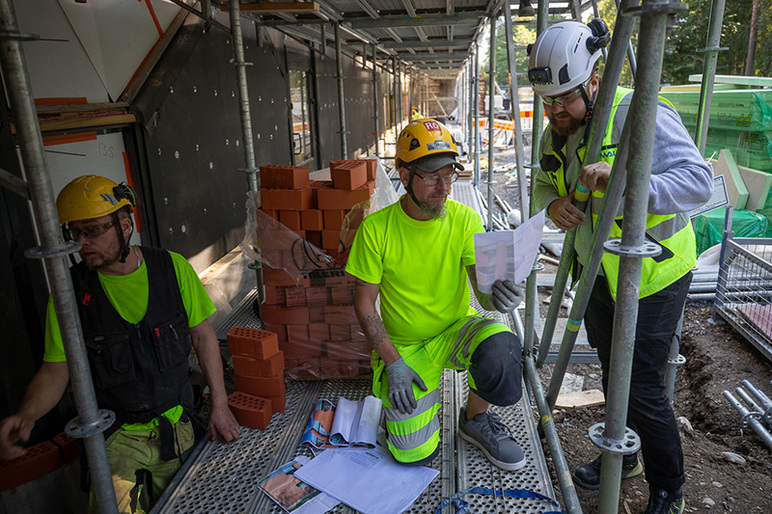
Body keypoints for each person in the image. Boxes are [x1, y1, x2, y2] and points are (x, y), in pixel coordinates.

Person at [527, 19, 713, 514]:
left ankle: (668, 486)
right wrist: (551, 206)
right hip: (599, 275)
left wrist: (628, 186)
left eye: (563, 98)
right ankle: (624, 456)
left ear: (593, 81)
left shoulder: (637, 111)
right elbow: (542, 183)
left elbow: (698, 183)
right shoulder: (557, 129)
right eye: (546, 101)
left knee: (645, 387)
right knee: (613, 373)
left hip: (655, 275)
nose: (553, 111)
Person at [0, 175, 241, 513]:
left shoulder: (172, 268)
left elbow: (202, 337)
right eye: (75, 233)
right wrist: (27, 415)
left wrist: (220, 404)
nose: (82, 242)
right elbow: (56, 370)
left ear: (124, 225)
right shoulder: (69, 295)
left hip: (180, 426)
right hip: (117, 440)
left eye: (93, 230)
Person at [346, 118, 527, 471]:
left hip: (455, 331)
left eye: (449, 175)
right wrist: (393, 362)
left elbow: (483, 293)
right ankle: (395, 406)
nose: (444, 187)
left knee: (502, 348)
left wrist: (499, 296)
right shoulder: (376, 229)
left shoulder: (465, 220)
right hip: (406, 347)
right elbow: (363, 302)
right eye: (432, 177)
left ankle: (474, 420)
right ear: (404, 176)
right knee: (411, 454)